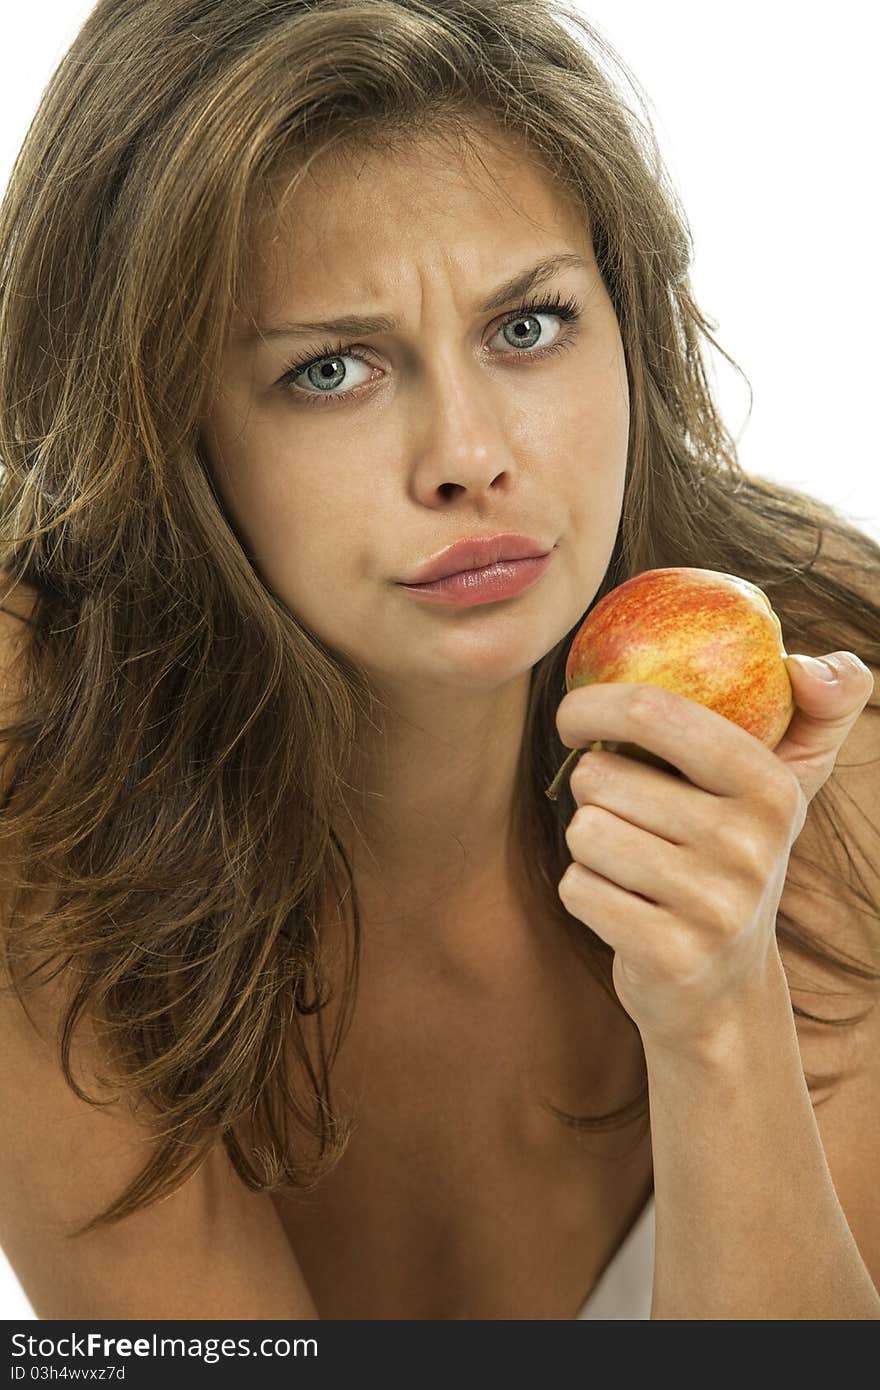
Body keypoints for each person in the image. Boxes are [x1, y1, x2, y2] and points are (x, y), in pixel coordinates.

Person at [0, 0, 878, 1321]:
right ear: (166, 426)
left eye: (527, 325)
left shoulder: (822, 697)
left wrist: (717, 1010)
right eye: (333, 368)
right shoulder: (37, 773)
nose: (470, 452)